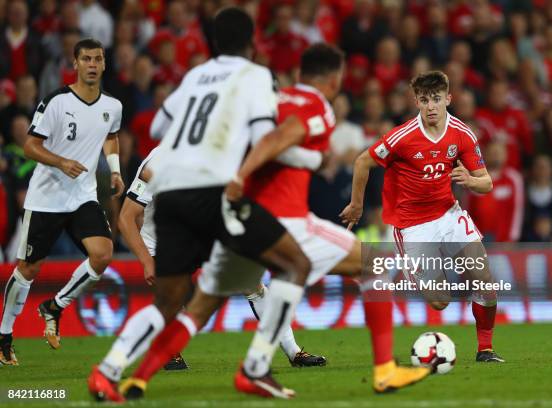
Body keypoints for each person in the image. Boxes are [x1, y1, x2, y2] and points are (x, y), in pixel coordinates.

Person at [118, 43, 430, 401]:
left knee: (203, 307)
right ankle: (383, 370)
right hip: (282, 220)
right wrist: (263, 168)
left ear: (298, 76)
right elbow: (280, 137)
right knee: (373, 263)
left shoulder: (267, 105)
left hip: (238, 222)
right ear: (333, 79)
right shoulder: (319, 107)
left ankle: (138, 378)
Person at [87, 8, 312, 401]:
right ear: (252, 43)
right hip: (212, 193)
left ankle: (107, 371)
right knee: (295, 264)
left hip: (173, 193)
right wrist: (303, 157)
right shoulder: (255, 76)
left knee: (170, 300)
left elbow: (159, 128)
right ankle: (256, 369)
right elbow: (263, 136)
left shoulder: (194, 76)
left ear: (212, 43)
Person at [340, 71, 505, 363]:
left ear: (448, 99)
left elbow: (487, 183)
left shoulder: (462, 133)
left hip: (448, 214)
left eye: (437, 99)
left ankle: (485, 349)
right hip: (413, 226)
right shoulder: (402, 137)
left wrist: (469, 179)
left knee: (485, 281)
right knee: (440, 301)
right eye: (425, 99)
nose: (431, 106)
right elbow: (362, 161)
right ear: (416, 101)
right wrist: (357, 205)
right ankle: (416, 271)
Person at [0, 38, 124, 366]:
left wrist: (114, 171)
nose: (93, 64)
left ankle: (54, 306)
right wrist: (60, 162)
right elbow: (30, 146)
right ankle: (4, 334)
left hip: (82, 196)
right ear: (76, 64)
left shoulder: (112, 106)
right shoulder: (56, 102)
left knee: (103, 254)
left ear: (104, 64)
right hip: (47, 197)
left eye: (98, 58)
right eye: (86, 59)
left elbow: (110, 137)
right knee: (28, 268)